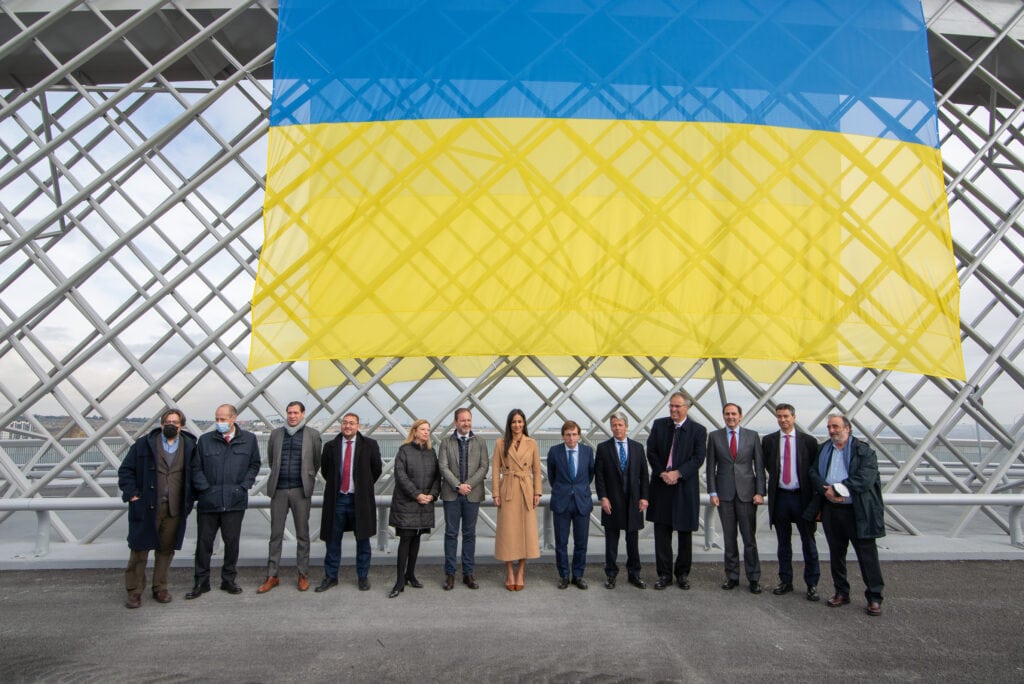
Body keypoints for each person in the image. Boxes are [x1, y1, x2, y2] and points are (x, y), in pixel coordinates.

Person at [807, 414, 886, 616]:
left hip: (858, 511)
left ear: (847, 428)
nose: (832, 430)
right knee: (836, 554)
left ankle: (874, 597)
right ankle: (841, 592)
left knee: (867, 555)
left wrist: (838, 490)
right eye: (829, 427)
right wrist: (825, 490)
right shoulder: (824, 449)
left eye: (836, 427)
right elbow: (813, 472)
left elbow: (866, 478)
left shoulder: (863, 451)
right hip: (832, 510)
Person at [118, 409, 197, 608]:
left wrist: (190, 499)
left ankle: (160, 588)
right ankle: (134, 591)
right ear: (161, 424)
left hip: (174, 507)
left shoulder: (190, 446)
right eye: (168, 421)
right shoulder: (144, 444)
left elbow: (196, 474)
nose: (171, 425)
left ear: (182, 425)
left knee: (166, 550)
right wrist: (132, 495)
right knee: (139, 550)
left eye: (175, 422)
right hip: (146, 506)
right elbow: (126, 470)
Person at [186, 403, 261, 599]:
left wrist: (243, 486)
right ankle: (201, 582)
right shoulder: (204, 441)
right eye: (217, 419)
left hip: (235, 501)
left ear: (233, 418)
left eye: (223, 419)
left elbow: (254, 464)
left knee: (232, 543)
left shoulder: (249, 440)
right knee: (204, 544)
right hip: (209, 502)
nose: (219, 422)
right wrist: (205, 489)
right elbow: (196, 467)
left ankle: (229, 580)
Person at [257, 401, 323, 594]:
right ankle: (272, 575)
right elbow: (272, 459)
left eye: (295, 412)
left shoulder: (312, 435)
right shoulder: (276, 434)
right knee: (275, 534)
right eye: (289, 412)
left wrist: (307, 478)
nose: (292, 416)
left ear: (303, 414)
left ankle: (303, 574)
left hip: (300, 490)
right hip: (278, 489)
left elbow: (316, 461)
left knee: (303, 534)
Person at [646, 391, 707, 590]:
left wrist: (678, 473)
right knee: (661, 533)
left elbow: (698, 458)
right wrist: (662, 472)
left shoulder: (698, 430)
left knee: (684, 533)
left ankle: (682, 574)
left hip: (684, 487)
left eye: (677, 406)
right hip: (662, 486)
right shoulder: (659, 425)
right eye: (671, 406)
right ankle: (664, 574)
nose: (673, 409)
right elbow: (651, 451)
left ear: (687, 408)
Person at [317, 413, 383, 592]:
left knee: (362, 540)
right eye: (345, 423)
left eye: (351, 423)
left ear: (358, 426)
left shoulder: (370, 445)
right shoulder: (331, 446)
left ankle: (362, 576)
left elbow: (376, 470)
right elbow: (326, 471)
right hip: (337, 500)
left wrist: (362, 486)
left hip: (359, 500)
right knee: (332, 540)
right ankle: (331, 576)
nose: (347, 426)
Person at [762, 403, 821, 601]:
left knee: (808, 542)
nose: (783, 420)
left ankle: (812, 584)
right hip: (780, 497)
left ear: (794, 417)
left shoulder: (809, 442)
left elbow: (815, 471)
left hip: (802, 497)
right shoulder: (769, 441)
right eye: (779, 416)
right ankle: (785, 580)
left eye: (786, 416)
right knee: (783, 543)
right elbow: (769, 467)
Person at [707, 403, 766, 593]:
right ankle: (732, 576)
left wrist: (759, 492)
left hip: (747, 494)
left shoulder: (752, 436)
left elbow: (759, 466)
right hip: (724, 494)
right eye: (727, 414)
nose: (730, 417)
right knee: (729, 538)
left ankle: (754, 577)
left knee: (749, 538)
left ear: (740, 416)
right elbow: (710, 467)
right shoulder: (715, 436)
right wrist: (713, 492)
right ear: (723, 416)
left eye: (733, 414)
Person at [594, 412, 649, 589]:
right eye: (614, 425)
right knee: (611, 542)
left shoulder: (637, 448)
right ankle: (611, 574)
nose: (617, 428)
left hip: (633, 502)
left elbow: (644, 475)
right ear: (611, 427)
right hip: (612, 501)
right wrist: (603, 497)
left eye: (620, 425)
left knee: (633, 541)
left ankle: (634, 574)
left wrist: (644, 497)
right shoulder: (603, 448)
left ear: (626, 426)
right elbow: (599, 476)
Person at [387, 419, 441, 598]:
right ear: (415, 431)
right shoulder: (404, 450)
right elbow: (400, 476)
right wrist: (417, 494)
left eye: (428, 429)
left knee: (416, 539)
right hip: (407, 503)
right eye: (423, 429)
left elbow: (436, 477)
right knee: (405, 540)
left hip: (424, 503)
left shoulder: (431, 452)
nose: (426, 432)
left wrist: (432, 495)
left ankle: (410, 574)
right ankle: (399, 581)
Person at [437, 407, 488, 590]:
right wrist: (458, 485)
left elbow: (484, 467)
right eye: (462, 420)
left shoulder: (480, 442)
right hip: (452, 494)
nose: (466, 423)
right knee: (451, 534)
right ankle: (450, 574)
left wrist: (468, 486)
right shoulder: (445, 442)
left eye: (468, 420)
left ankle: (468, 574)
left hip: (472, 495)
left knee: (469, 535)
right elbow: (443, 467)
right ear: (455, 422)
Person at [492, 408, 542, 591]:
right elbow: (495, 470)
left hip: (526, 489)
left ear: (524, 423)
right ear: (509, 424)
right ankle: (509, 572)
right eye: (514, 422)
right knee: (507, 533)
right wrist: (495, 494)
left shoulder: (532, 443)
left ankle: (520, 571)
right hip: (508, 489)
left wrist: (537, 492)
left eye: (520, 421)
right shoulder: (500, 443)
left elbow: (537, 470)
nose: (517, 425)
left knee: (526, 532)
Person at [547, 420, 595, 589]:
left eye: (574, 434)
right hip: (562, 502)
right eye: (568, 435)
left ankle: (578, 575)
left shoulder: (588, 452)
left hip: (582, 501)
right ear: (563, 436)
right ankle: (564, 575)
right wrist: (565, 490)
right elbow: (552, 476)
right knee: (561, 542)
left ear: (579, 435)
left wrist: (577, 490)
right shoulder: (554, 452)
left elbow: (590, 474)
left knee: (581, 542)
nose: (571, 438)